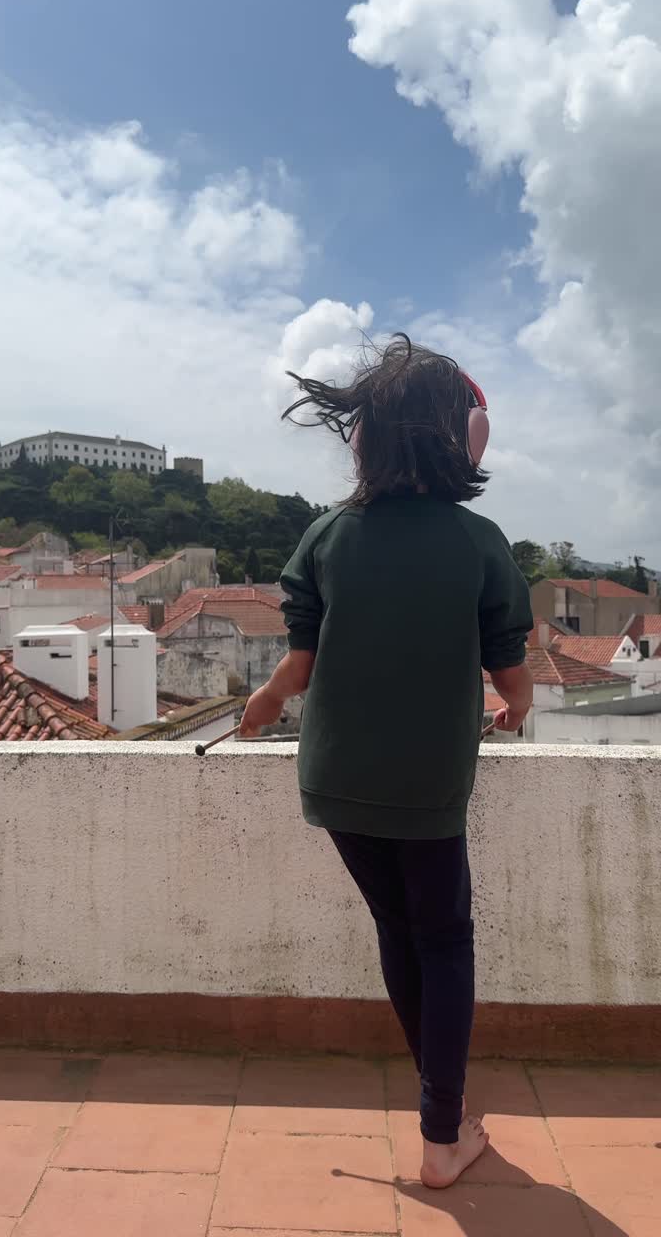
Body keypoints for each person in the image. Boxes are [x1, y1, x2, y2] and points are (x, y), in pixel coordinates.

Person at [240, 335, 534, 1188]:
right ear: (459, 436)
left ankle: (440, 1106)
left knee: (399, 932)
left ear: (366, 436)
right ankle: (443, 1134)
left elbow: (298, 665)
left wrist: (258, 709)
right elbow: (507, 667)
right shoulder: (478, 541)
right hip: (428, 783)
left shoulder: (329, 535)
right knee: (444, 939)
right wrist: (518, 706)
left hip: (334, 777)